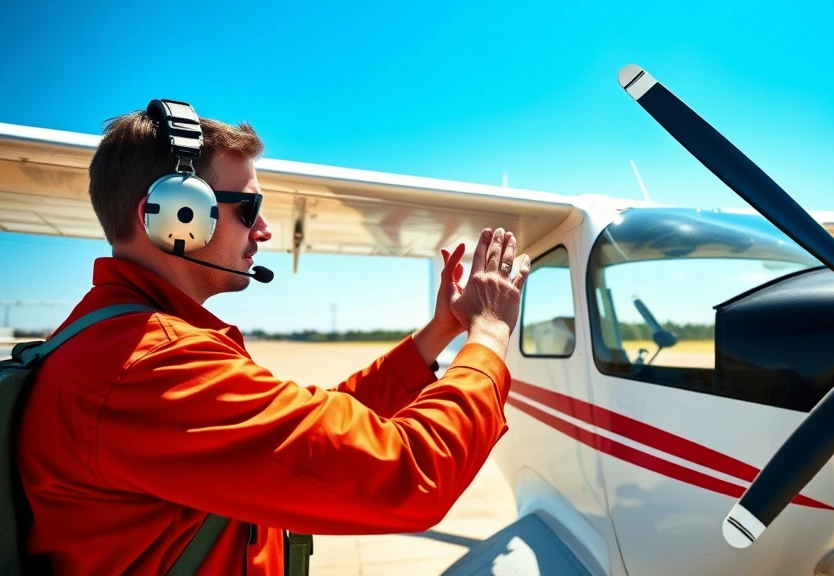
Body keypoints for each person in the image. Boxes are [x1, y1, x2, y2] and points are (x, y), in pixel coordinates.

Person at [16, 102, 530, 575]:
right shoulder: (153, 365)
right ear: (173, 215)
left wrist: (441, 333)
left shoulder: (126, 342)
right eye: (247, 206)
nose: (263, 229)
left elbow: (315, 429)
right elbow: (409, 473)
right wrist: (487, 336)